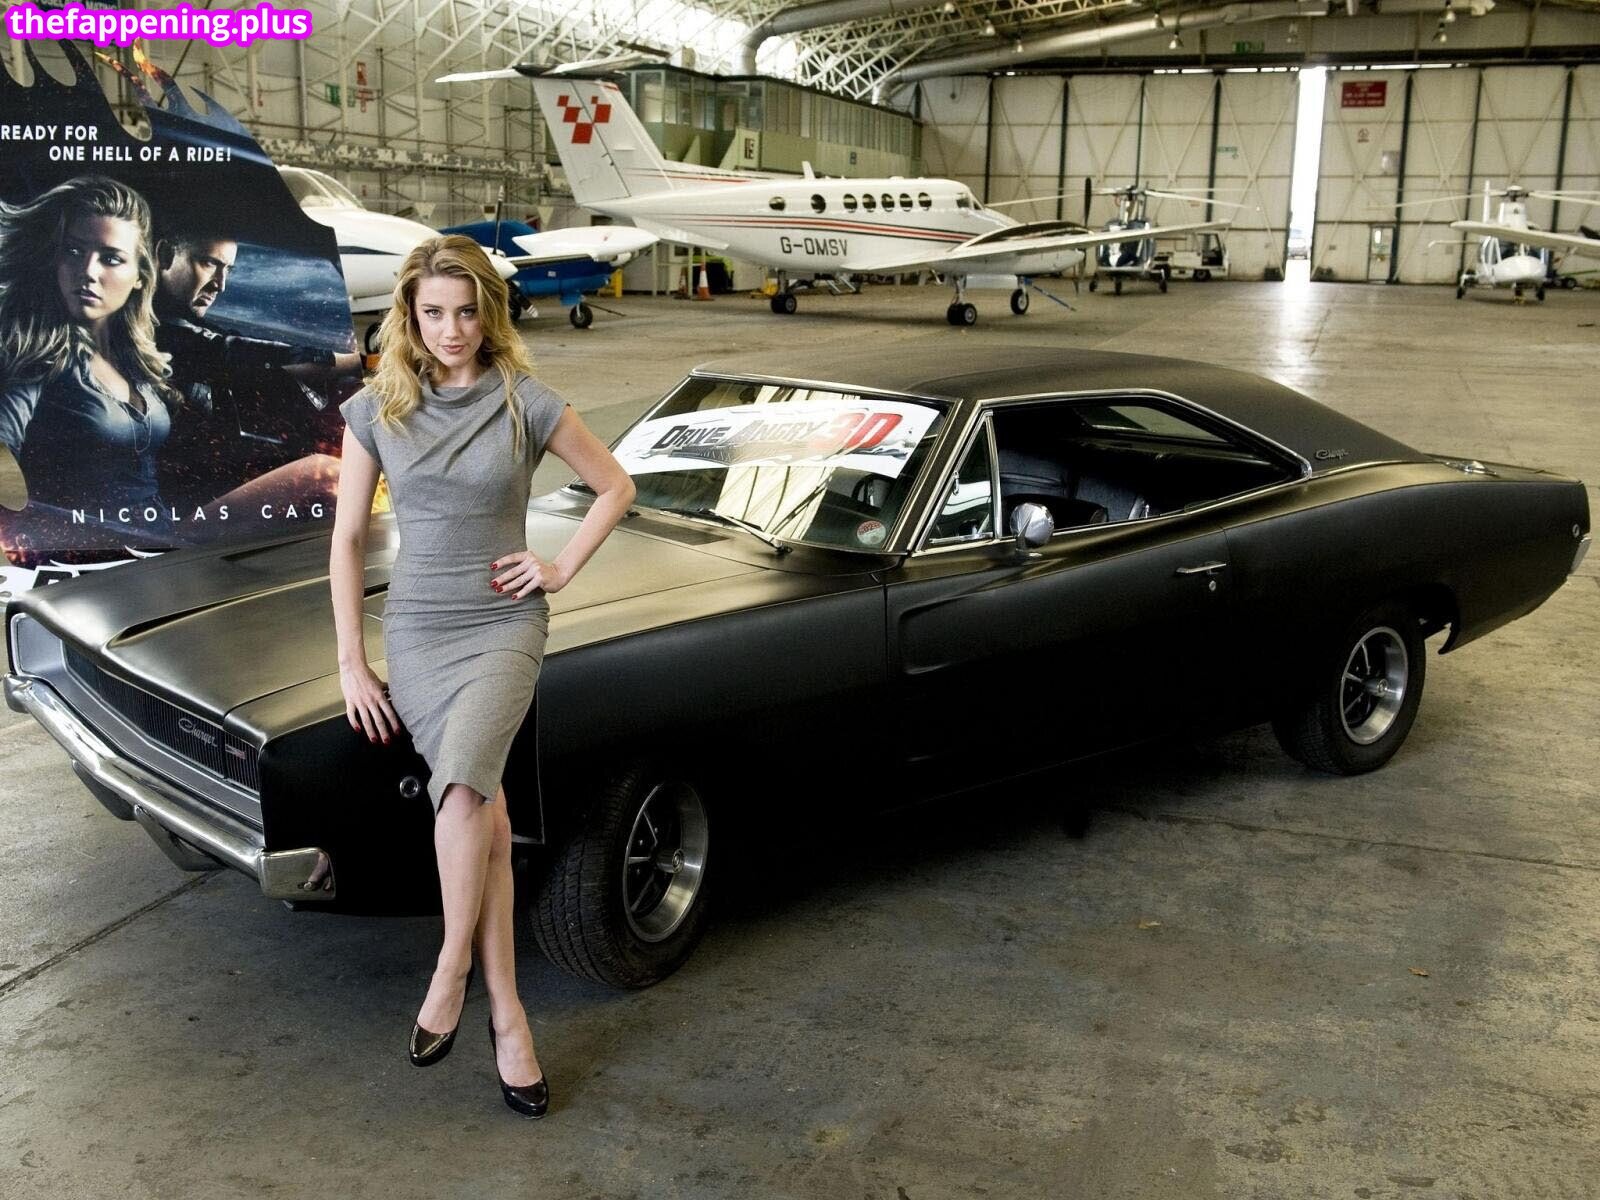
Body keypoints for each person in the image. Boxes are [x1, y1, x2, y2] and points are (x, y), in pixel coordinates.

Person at [329, 235, 635, 1119]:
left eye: (466, 312)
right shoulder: (375, 409)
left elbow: (615, 486)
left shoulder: (524, 400)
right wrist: (352, 660)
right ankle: (509, 1020)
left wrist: (559, 566)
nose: (452, 329)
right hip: (420, 630)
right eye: (433, 312)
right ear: (409, 316)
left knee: (462, 790)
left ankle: (450, 967)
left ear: (487, 314)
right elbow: (346, 540)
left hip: (504, 624)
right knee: (488, 823)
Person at [0, 175, 179, 519]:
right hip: (92, 539)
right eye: (74, 251)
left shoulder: (134, 359)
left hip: (159, 532)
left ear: (140, 276)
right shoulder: (38, 353)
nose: (88, 271)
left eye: (110, 259)